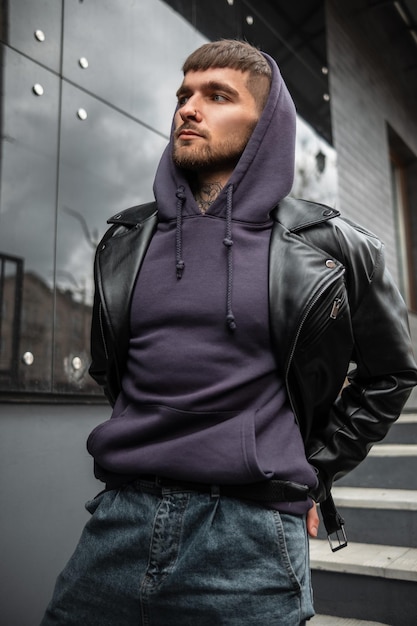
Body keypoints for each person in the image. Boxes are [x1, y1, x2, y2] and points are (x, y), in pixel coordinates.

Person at [41, 39, 417, 626]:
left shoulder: (332, 247)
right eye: (184, 95)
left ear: (266, 124)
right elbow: (111, 369)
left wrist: (313, 466)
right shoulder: (123, 243)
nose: (189, 108)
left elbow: (392, 372)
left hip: (250, 545)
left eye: (217, 96)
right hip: (117, 528)